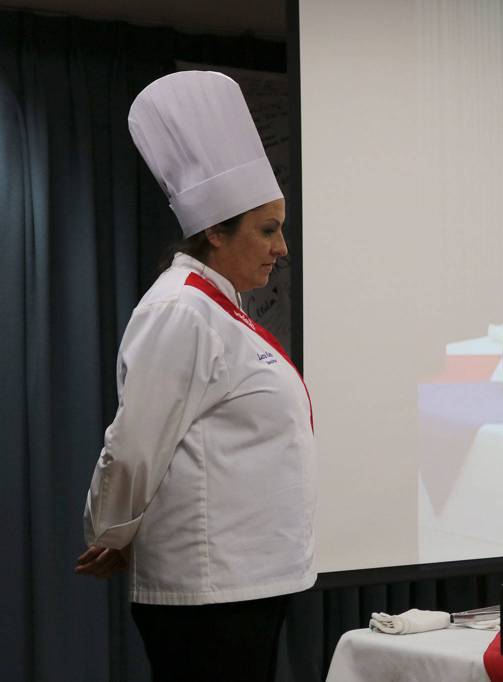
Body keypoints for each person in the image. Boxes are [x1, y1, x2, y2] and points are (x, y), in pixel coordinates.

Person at [75, 71, 315, 682]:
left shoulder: (217, 308)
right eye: (267, 229)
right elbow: (134, 445)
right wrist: (112, 532)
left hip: (247, 586)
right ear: (214, 230)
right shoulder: (179, 310)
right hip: (210, 594)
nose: (281, 247)